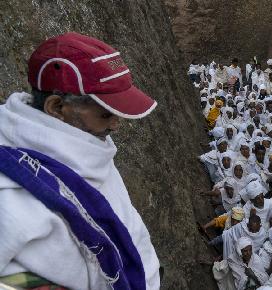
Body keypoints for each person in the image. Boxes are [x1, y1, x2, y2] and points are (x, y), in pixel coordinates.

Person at [0, 32, 160, 289]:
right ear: (56, 107)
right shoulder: (9, 201)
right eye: (106, 114)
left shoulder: (87, 147)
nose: (116, 125)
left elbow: (129, 226)